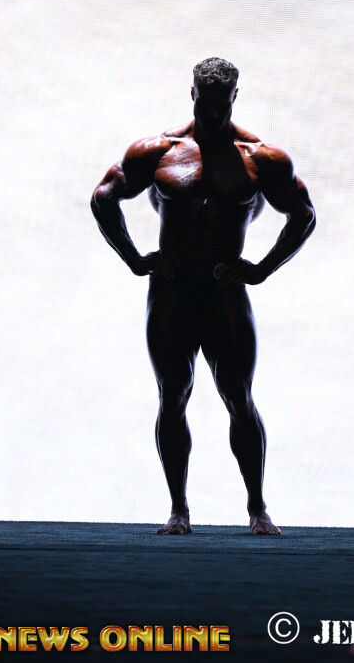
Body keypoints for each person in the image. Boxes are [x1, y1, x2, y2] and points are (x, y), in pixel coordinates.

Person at [90, 58, 316, 535]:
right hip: (172, 289)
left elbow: (304, 215)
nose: (212, 113)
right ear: (192, 93)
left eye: (221, 104)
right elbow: (104, 196)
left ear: (234, 97)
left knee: (238, 395)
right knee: (172, 394)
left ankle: (257, 509)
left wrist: (261, 269)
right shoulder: (159, 151)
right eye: (204, 102)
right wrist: (134, 259)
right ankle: (179, 511)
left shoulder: (261, 158)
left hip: (222, 291)